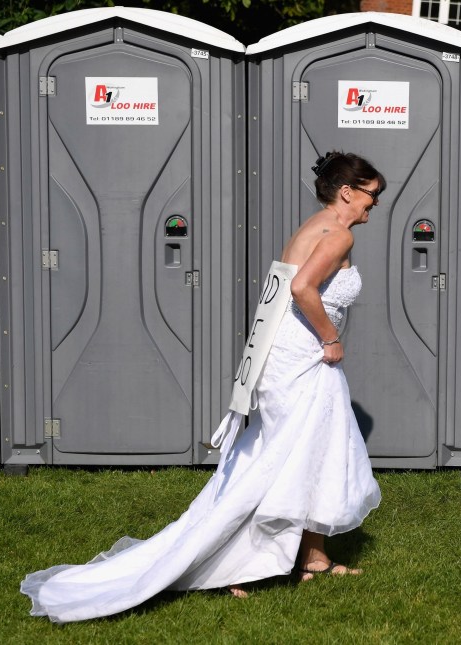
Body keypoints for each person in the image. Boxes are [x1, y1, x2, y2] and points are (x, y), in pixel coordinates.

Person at [21, 151, 384, 623]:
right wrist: (331, 338)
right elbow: (301, 289)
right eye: (371, 196)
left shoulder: (315, 225)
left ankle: (311, 557)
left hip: (288, 351)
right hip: (306, 354)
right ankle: (229, 560)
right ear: (347, 191)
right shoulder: (338, 232)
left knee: (306, 451)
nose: (374, 205)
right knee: (283, 459)